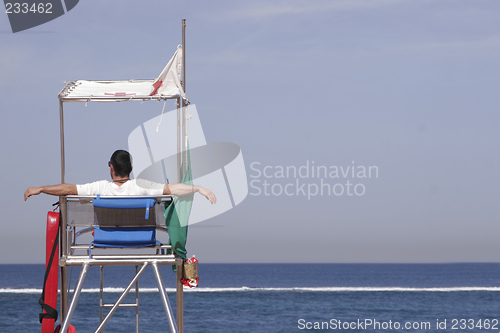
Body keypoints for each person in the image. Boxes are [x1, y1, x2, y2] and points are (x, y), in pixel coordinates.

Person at [24, 150, 216, 203]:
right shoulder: (141, 186)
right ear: (131, 169)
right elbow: (172, 188)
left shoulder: (101, 188)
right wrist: (199, 188)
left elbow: (68, 189)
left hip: (105, 238)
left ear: (111, 168)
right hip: (139, 238)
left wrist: (41, 189)